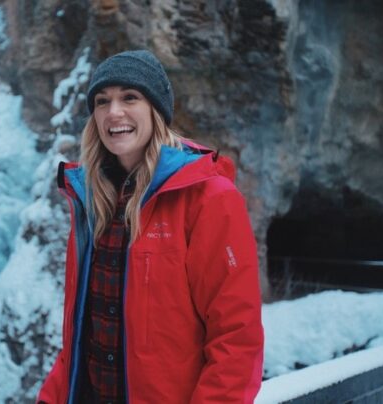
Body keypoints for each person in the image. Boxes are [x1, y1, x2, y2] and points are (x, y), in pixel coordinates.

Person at [38, 49, 264, 403]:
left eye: (130, 97)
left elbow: (236, 337)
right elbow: (81, 332)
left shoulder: (208, 197)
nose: (114, 112)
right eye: (102, 101)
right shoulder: (92, 200)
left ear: (156, 109)